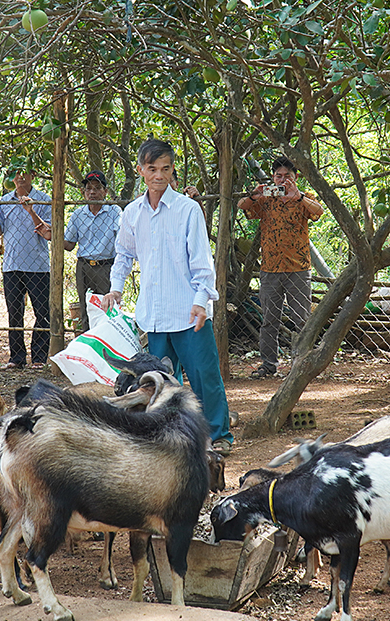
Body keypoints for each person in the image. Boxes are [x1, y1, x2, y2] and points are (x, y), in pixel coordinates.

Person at [102, 138, 233, 454]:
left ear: (172, 170)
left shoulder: (188, 210)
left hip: (190, 311)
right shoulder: (132, 213)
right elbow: (123, 253)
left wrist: (202, 300)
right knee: (157, 382)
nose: (159, 175)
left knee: (204, 378)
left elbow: (202, 259)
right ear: (141, 171)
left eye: (165, 168)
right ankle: (168, 437)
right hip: (154, 315)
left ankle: (218, 436)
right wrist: (115, 287)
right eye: (152, 169)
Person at [238, 155, 324, 379]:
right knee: (269, 321)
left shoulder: (304, 198)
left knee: (302, 320)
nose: (283, 180)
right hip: (270, 269)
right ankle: (268, 365)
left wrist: (299, 196)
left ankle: (303, 364)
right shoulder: (267, 199)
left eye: (287, 176)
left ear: (295, 177)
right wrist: (253, 195)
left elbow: (318, 212)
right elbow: (243, 207)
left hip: (298, 268)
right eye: (278, 176)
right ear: (273, 178)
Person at [0, 165, 52, 370]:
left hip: (38, 266)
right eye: (16, 173)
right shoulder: (5, 202)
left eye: (25, 172)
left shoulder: (44, 200)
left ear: (33, 175)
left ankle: (39, 358)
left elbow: (48, 233)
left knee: (42, 312)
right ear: (11, 178)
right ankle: (17, 358)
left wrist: (31, 211)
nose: (20, 177)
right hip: (12, 265)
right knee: (14, 312)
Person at [62, 170, 122, 332]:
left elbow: (122, 239)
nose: (93, 192)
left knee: (109, 308)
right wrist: (53, 235)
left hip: (106, 266)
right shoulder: (78, 215)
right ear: (84, 192)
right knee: (85, 308)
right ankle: (89, 345)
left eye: (97, 188)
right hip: (84, 267)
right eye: (88, 189)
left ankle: (109, 345)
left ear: (105, 191)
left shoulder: (114, 212)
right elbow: (69, 245)